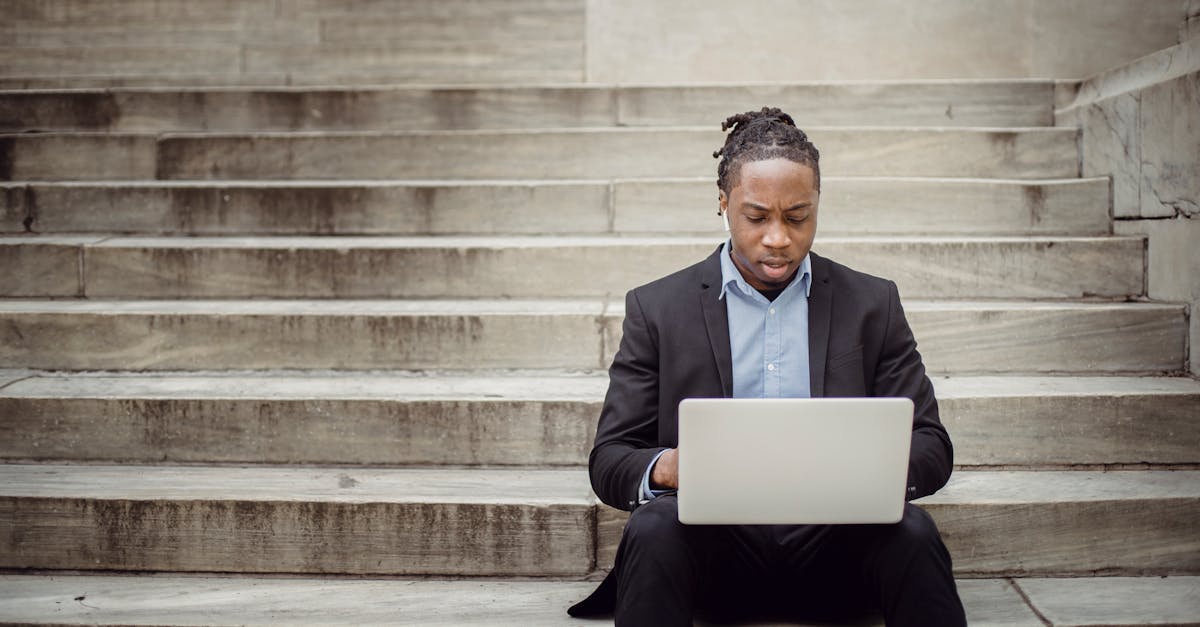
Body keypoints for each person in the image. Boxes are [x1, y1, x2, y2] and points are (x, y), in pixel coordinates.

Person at [567, 107, 966, 626]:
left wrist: (868, 468)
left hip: (838, 550)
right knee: (652, 528)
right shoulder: (657, 309)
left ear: (818, 204)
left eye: (798, 217)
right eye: (757, 217)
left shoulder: (873, 303)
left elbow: (932, 445)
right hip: (713, 555)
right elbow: (610, 459)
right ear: (723, 203)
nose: (778, 238)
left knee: (914, 532)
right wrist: (674, 467)